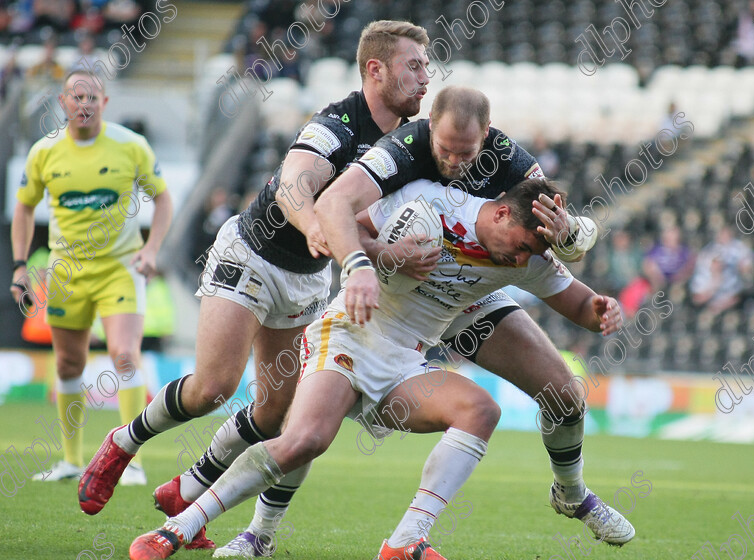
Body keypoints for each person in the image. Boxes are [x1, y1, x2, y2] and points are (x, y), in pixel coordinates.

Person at [127, 177, 626, 560]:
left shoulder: (529, 253)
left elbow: (580, 302)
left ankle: (405, 542)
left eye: (533, 254)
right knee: (304, 438)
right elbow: (349, 224)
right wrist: (386, 255)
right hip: (348, 333)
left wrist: (602, 309)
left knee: (481, 410)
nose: (523, 260)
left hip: (407, 358)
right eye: (521, 245)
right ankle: (184, 527)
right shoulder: (431, 200)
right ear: (499, 212)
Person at [78, 20, 432, 552]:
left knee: (279, 415)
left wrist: (386, 253)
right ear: (375, 71)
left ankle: (189, 492)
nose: (426, 78)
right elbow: (294, 182)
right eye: (415, 65)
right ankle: (122, 441)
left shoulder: (408, 143)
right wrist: (316, 224)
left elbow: (360, 229)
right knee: (212, 388)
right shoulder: (337, 122)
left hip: (308, 280)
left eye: (427, 66)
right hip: (253, 256)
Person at [313, 86, 634, 547]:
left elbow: (565, 231)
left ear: (487, 135)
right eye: (444, 149)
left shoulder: (514, 164)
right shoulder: (403, 152)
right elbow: (344, 216)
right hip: (401, 294)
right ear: (429, 127)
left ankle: (572, 493)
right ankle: (245, 523)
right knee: (294, 422)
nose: (455, 161)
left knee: (565, 395)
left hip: (470, 291)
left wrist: (573, 243)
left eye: (466, 152)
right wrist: (376, 256)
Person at [10, 69, 172, 485]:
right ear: (62, 103)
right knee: (67, 363)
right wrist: (19, 264)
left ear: (104, 103)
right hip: (67, 272)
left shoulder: (130, 146)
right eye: (75, 96)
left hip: (119, 268)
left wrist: (151, 249)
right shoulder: (44, 152)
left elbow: (164, 198)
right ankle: (69, 460)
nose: (83, 104)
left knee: (123, 354)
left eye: (91, 97)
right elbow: (24, 208)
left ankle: (131, 462)